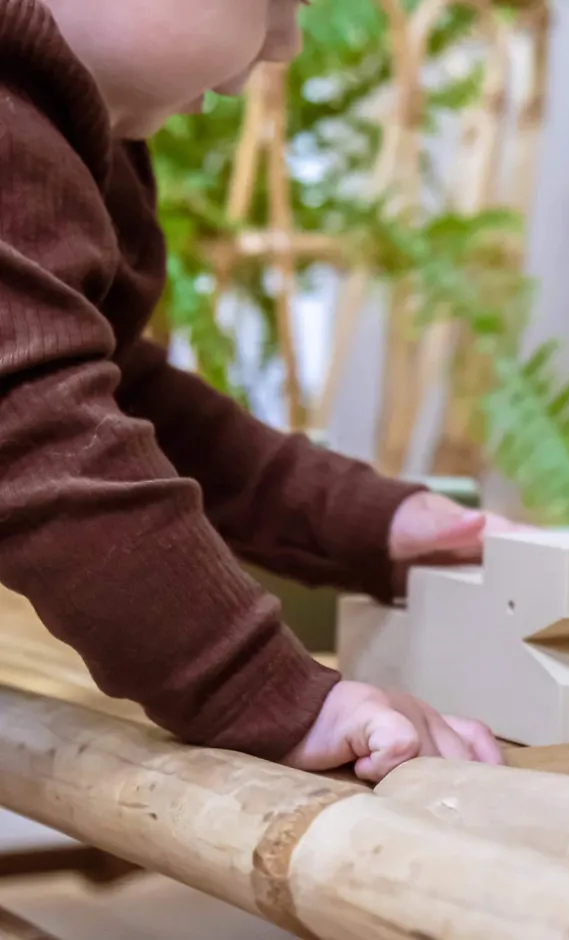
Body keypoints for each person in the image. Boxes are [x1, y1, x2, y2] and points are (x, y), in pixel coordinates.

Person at [0, 0, 517, 782]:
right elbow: (39, 437)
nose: (286, 43)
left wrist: (364, 520)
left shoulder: (66, 133)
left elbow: (113, 396)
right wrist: (263, 692)